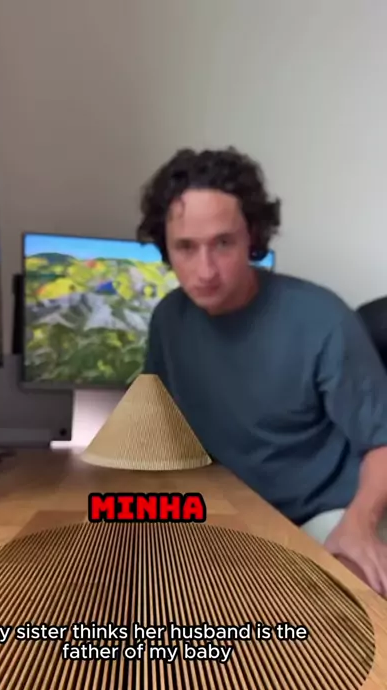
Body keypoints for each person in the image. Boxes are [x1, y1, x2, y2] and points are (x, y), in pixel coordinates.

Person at [137, 146, 387, 597]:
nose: (205, 270)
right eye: (186, 247)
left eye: (223, 243)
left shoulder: (321, 318)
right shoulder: (168, 321)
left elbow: (382, 443)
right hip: (232, 514)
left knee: (344, 599)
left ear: (252, 236)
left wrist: (359, 524)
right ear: (165, 248)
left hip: (328, 512)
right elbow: (159, 433)